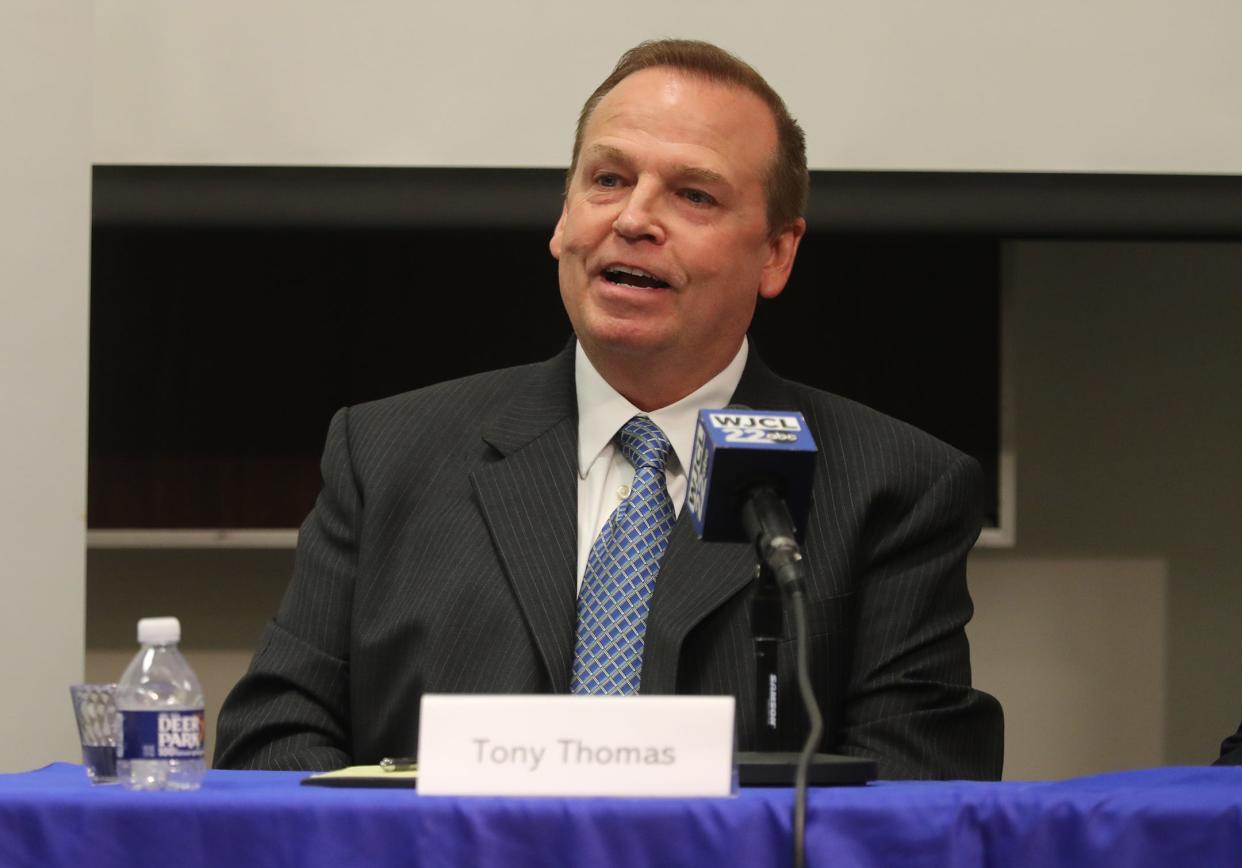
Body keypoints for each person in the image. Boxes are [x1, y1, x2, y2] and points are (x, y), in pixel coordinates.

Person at [215, 38, 1003, 779]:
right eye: (608, 180)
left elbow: (917, 787)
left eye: (692, 194)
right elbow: (273, 736)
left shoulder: (893, 488)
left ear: (776, 253)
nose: (632, 219)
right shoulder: (387, 454)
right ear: (564, 218)